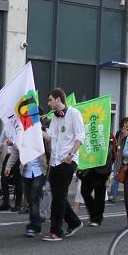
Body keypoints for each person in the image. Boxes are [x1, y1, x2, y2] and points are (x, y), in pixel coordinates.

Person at [41, 88, 86, 242]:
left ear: (58, 99)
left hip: (67, 161)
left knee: (58, 197)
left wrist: (70, 155)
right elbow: (50, 138)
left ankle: (56, 231)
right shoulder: (54, 117)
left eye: (50, 100)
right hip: (55, 161)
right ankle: (74, 222)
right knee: (58, 195)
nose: (48, 103)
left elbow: (81, 136)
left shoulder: (74, 113)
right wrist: (36, 129)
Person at [78, 135, 113, 227]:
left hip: (102, 167)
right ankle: (94, 214)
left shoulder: (103, 129)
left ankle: (97, 218)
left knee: (99, 194)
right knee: (84, 192)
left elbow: (108, 150)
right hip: (89, 167)